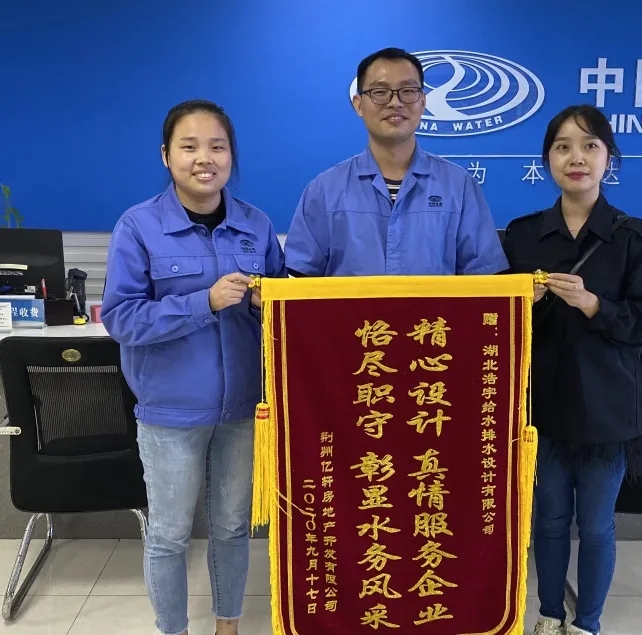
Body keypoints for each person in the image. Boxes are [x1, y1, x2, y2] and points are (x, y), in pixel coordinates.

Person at [101, 99, 286, 635]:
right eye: (189, 146)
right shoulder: (139, 226)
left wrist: (267, 302)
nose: (204, 158)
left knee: (231, 527)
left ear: (231, 156)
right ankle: (174, 629)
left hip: (243, 409)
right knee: (169, 534)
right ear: (166, 155)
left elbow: (280, 309)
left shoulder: (256, 225)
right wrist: (203, 302)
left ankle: (227, 626)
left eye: (217, 147)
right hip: (171, 411)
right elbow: (121, 317)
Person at [502, 105, 642, 635]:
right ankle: (549, 616)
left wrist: (595, 305)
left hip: (606, 408)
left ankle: (588, 623)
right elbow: (492, 324)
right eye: (563, 147)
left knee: (596, 525)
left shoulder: (634, 236)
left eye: (590, 145)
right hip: (541, 407)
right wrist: (518, 303)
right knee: (548, 520)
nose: (576, 157)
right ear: (547, 159)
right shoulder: (521, 236)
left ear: (608, 158)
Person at [283, 47, 508, 277]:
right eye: (380, 92)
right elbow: (303, 282)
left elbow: (484, 278)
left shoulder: (459, 186)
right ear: (359, 104)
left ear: (423, 101)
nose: (395, 102)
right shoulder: (324, 190)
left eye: (408, 91)